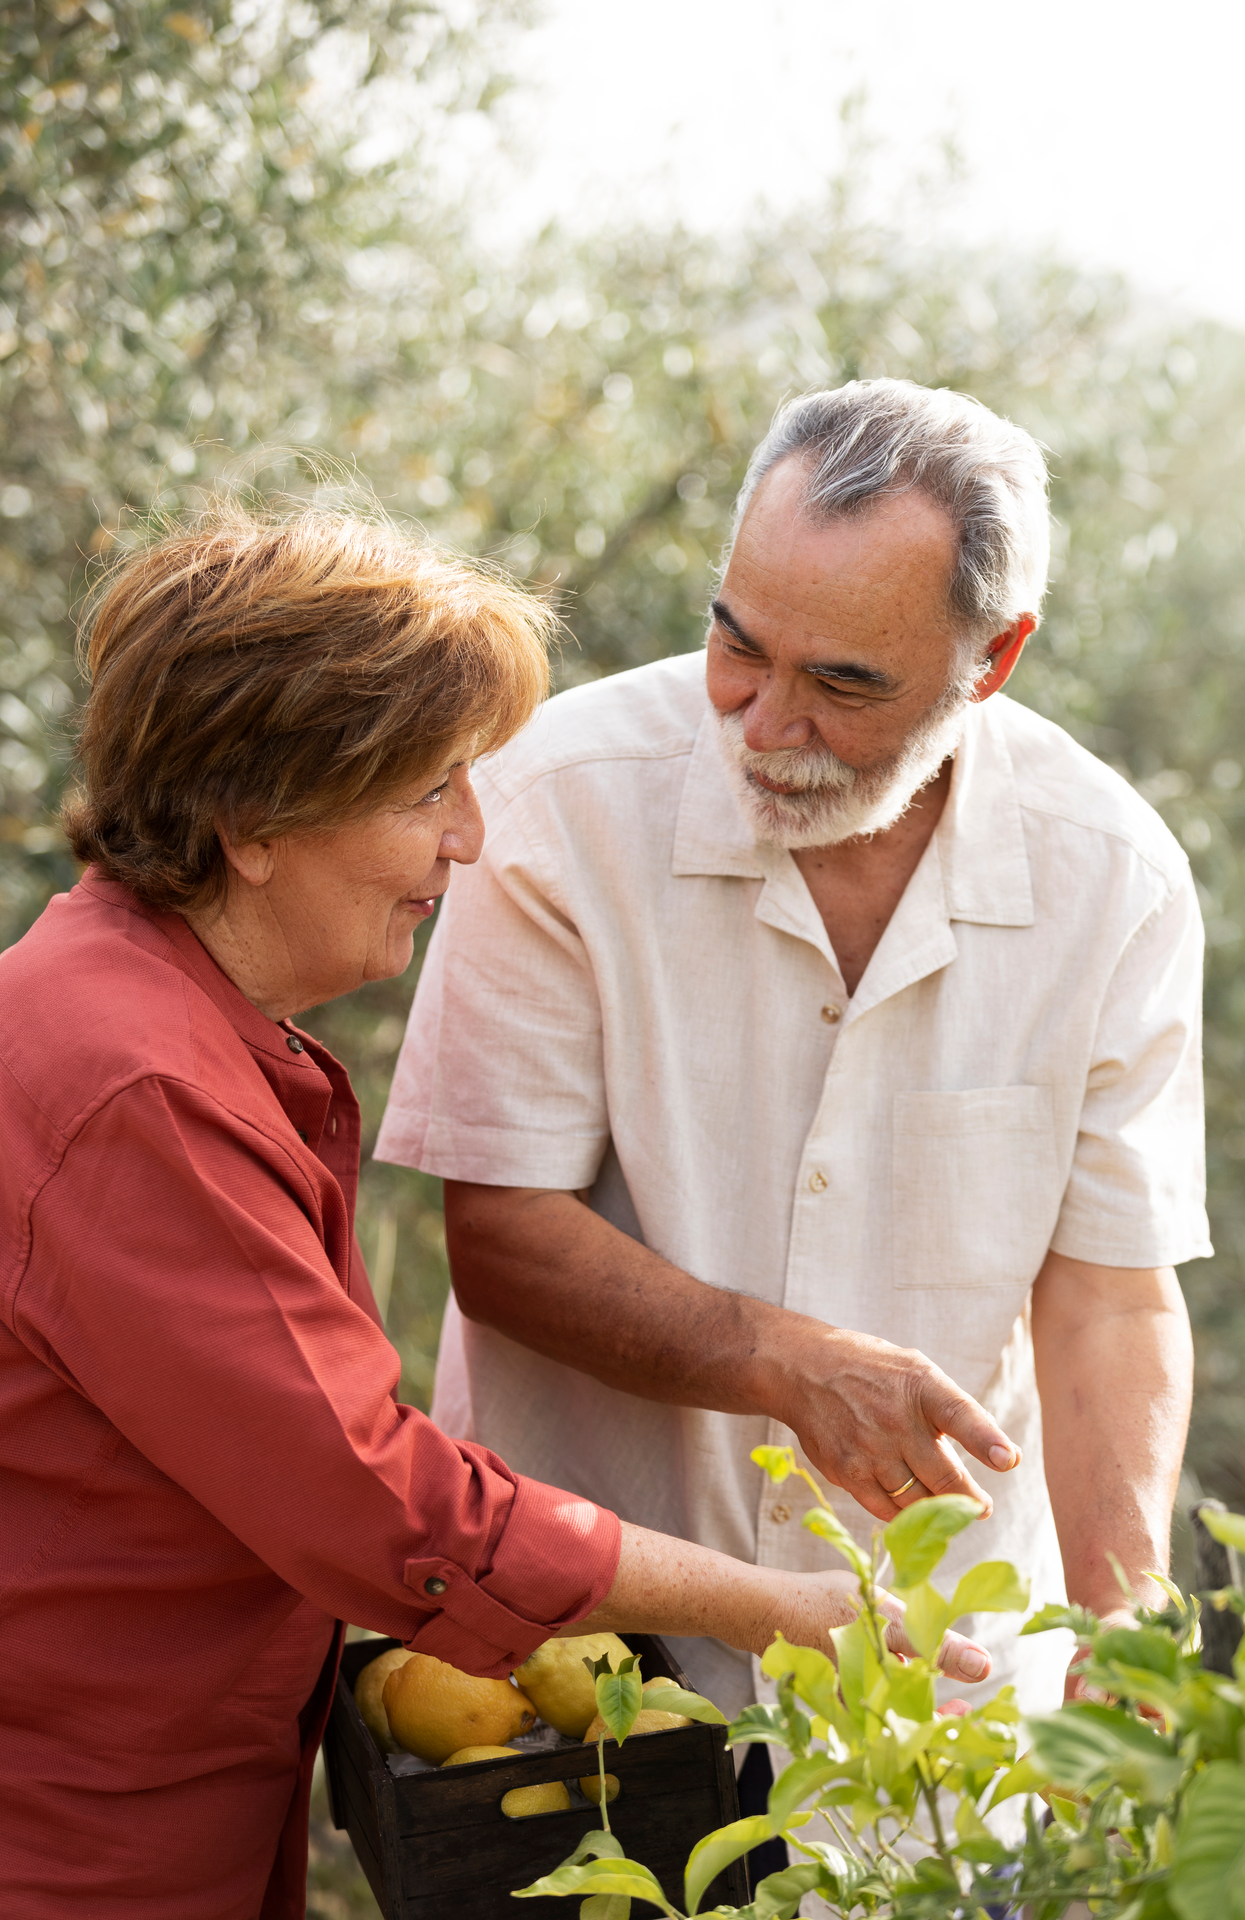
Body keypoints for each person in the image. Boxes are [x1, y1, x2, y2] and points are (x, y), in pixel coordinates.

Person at [0, 505, 991, 1920]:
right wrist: (775, 1606)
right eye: (426, 793)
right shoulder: (131, 1083)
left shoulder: (145, 1019)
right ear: (252, 818)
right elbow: (374, 1494)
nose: (469, 838)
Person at [377, 378, 1207, 1745]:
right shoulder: (551, 802)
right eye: (738, 643)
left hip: (945, 1681)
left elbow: (1113, 1296)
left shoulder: (1114, 879)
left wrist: (1125, 1645)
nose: (762, 723)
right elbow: (503, 1241)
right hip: (575, 1672)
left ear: (990, 664)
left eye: (843, 685)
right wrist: (784, 1360)